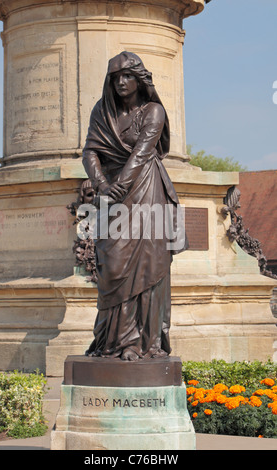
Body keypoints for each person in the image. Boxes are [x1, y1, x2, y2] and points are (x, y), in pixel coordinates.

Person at [82, 51, 187, 361]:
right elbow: (90, 151)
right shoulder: (103, 111)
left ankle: (142, 342)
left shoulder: (153, 111)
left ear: (140, 80)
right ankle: (114, 340)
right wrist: (102, 185)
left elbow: (142, 153)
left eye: (127, 76)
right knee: (113, 265)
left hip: (147, 189)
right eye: (115, 78)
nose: (121, 82)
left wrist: (118, 188)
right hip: (113, 190)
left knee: (149, 264)